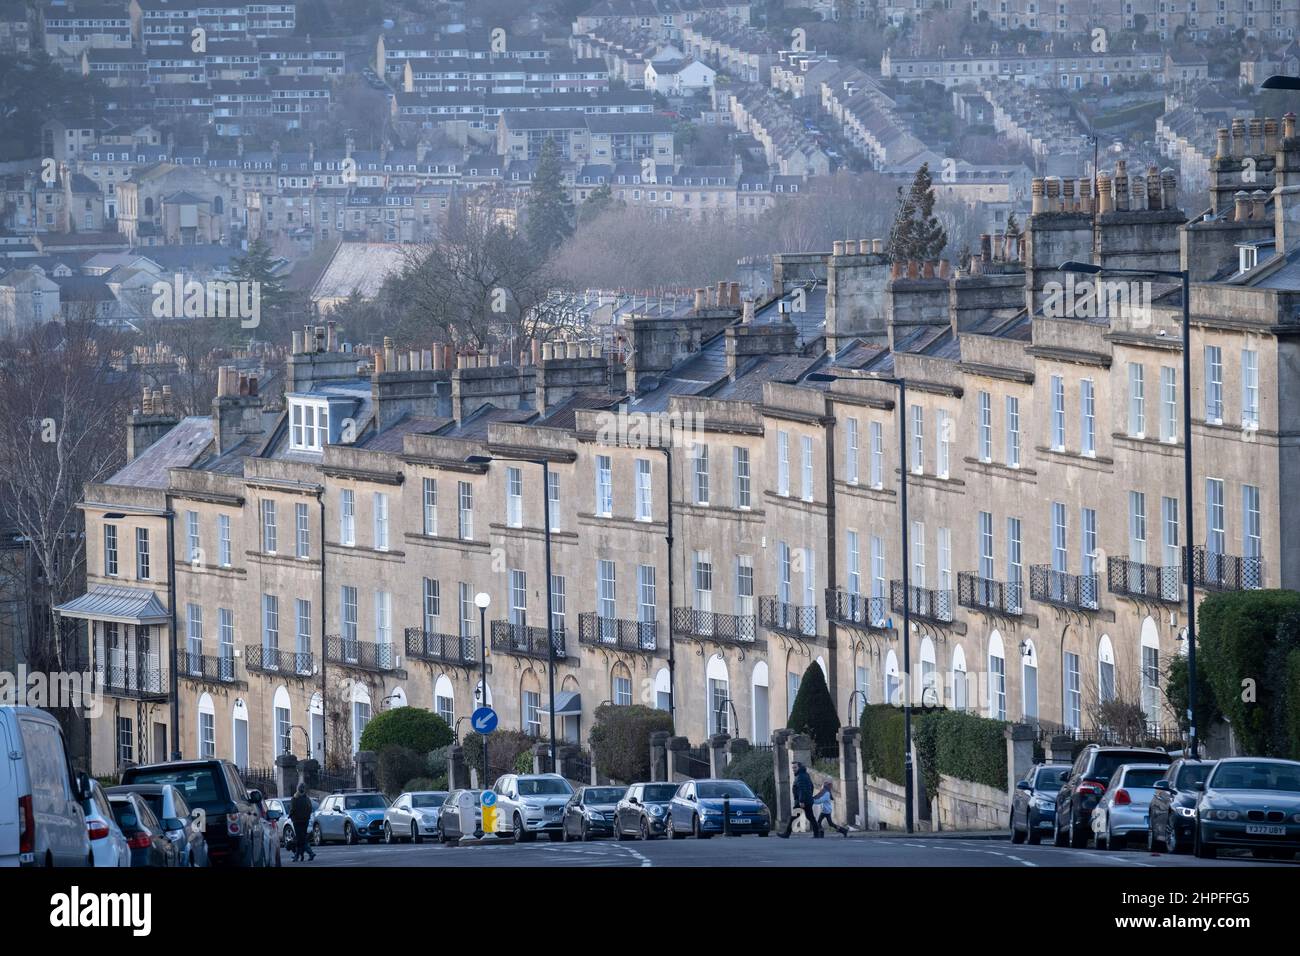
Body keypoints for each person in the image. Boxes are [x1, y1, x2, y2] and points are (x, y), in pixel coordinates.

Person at [779, 762, 821, 838]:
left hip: (802, 801)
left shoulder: (800, 777)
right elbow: (811, 787)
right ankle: (817, 833)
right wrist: (809, 797)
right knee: (810, 817)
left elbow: (802, 789)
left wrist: (801, 801)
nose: (793, 769)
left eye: (795, 767)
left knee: (793, 817)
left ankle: (786, 834)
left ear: (799, 768)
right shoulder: (805, 775)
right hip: (807, 800)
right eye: (792, 768)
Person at [289, 783, 315, 862]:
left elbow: (292, 809)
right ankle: (299, 855)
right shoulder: (307, 799)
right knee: (302, 838)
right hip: (305, 820)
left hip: (297, 821)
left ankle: (308, 853)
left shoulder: (294, 798)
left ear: (297, 789)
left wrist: (290, 815)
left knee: (300, 839)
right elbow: (310, 809)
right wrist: (307, 815)